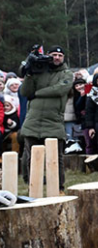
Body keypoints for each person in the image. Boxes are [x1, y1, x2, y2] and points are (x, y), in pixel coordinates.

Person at [19, 46, 72, 190]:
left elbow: (60, 89)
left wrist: (37, 93)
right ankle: (32, 186)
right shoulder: (38, 71)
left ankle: (58, 187)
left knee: (56, 157)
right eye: (54, 55)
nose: (57, 57)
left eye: (60, 55)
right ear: (48, 56)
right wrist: (29, 74)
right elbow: (25, 92)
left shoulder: (67, 74)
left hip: (54, 121)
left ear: (63, 58)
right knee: (30, 156)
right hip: (33, 119)